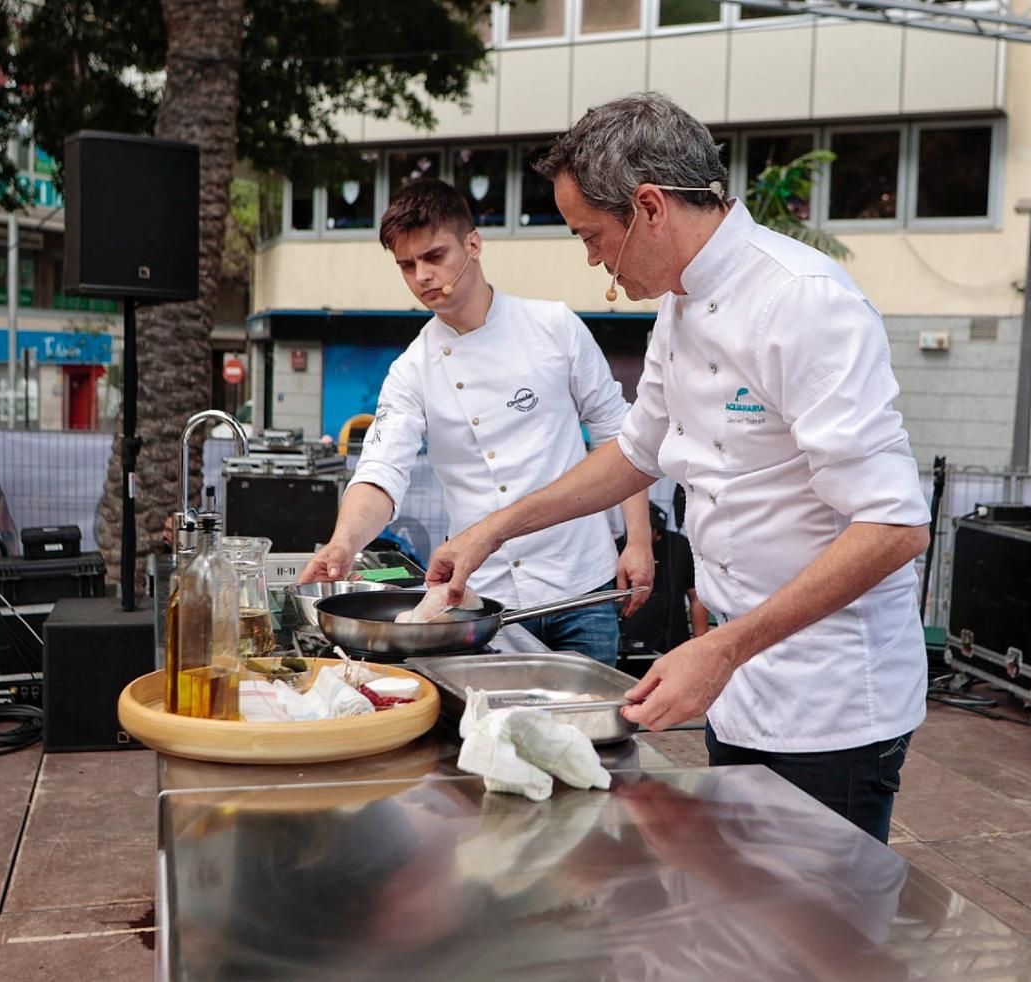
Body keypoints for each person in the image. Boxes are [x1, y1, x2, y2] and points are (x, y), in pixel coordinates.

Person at [423, 93, 930, 843]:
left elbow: (894, 525)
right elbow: (635, 453)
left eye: (593, 236)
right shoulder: (680, 305)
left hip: (830, 700)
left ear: (651, 207)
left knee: (815, 945)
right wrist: (495, 530)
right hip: (735, 679)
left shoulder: (804, 301)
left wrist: (723, 648)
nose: (593, 258)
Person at [299, 178, 653, 665]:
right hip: (483, 598)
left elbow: (620, 433)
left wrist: (637, 541)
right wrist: (343, 544)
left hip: (580, 583)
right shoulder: (411, 369)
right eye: (407, 265)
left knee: (585, 736)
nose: (422, 275)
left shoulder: (554, 326)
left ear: (473, 243)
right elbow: (381, 471)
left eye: (434, 256)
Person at [614, 501, 708, 666]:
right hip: (628, 649)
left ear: (657, 532)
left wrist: (701, 643)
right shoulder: (619, 547)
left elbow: (696, 597)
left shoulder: (679, 546)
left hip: (672, 645)